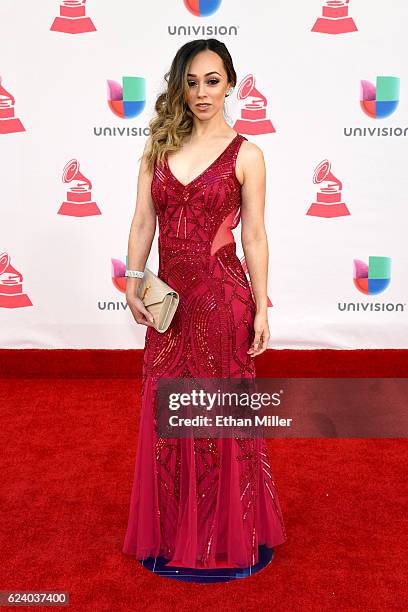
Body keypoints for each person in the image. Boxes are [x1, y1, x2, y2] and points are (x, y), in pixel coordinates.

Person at [122, 38, 287, 583]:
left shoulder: (248, 154)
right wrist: (132, 279)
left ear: (230, 84)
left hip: (222, 302)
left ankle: (227, 528)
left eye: (212, 81)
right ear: (178, 86)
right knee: (168, 417)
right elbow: (144, 222)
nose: (201, 92)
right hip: (169, 306)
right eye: (191, 81)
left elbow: (256, 237)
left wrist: (260, 308)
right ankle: (173, 531)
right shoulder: (157, 149)